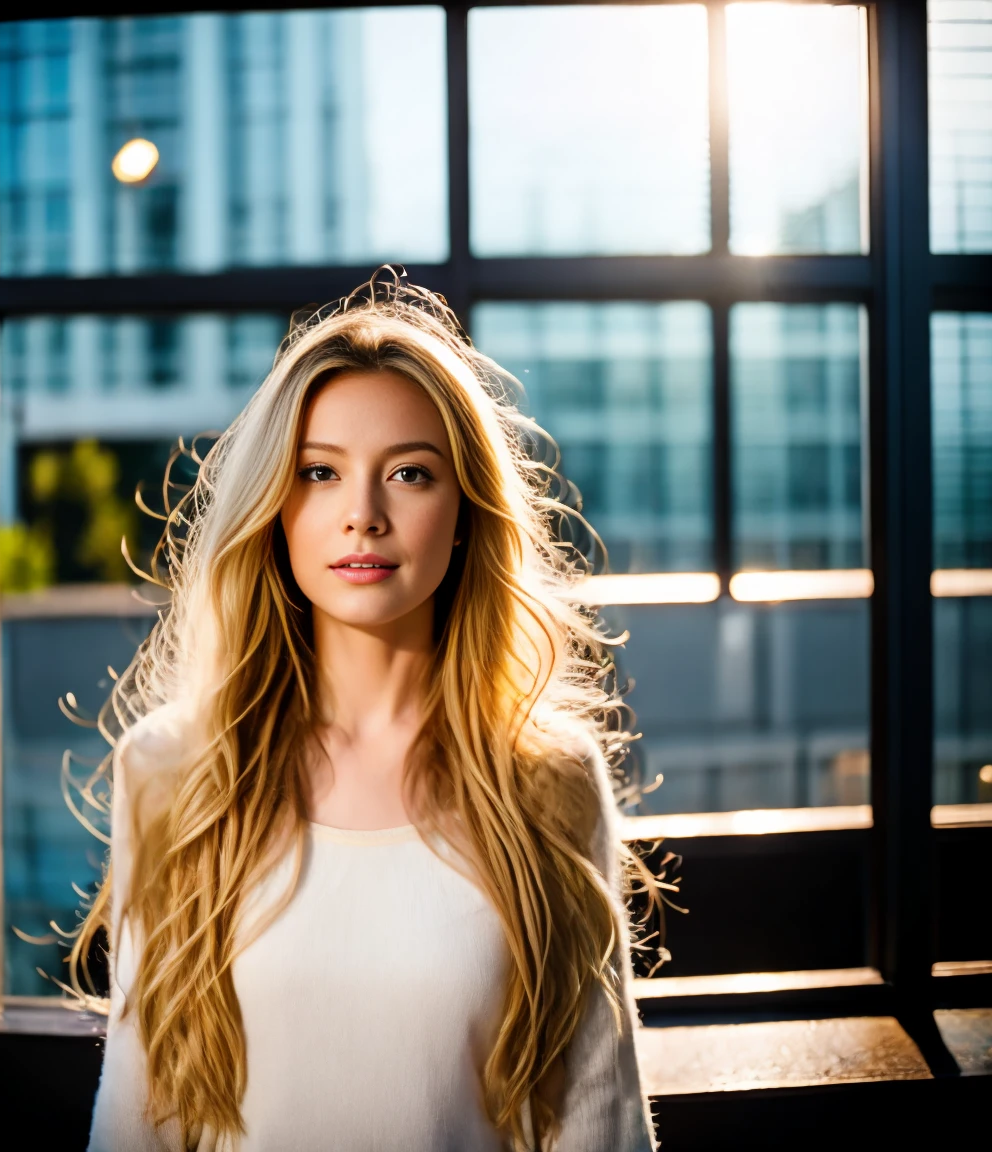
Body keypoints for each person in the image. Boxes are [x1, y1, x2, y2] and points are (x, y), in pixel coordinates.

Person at [78, 269, 658, 1151]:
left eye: (411, 475)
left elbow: (597, 1126)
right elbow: (137, 1116)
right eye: (319, 472)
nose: (362, 515)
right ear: (276, 508)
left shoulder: (550, 781)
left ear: (464, 515)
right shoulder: (168, 773)